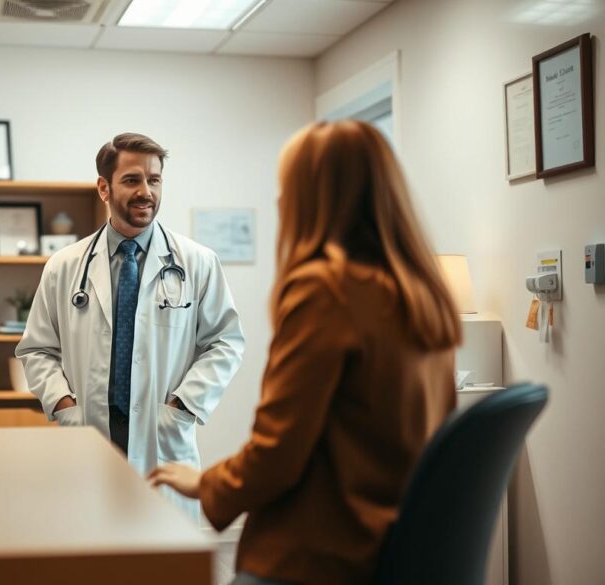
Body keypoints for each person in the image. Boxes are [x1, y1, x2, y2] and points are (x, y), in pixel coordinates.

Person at [149, 120, 461, 585]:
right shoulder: (419, 292)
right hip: (394, 542)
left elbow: (277, 453)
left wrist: (205, 483)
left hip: (323, 555)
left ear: (316, 198)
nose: (278, 200)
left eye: (286, 187)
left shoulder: (325, 291)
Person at [17, 132, 245, 516]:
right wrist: (64, 404)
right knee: (93, 555)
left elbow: (225, 342)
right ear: (104, 188)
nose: (146, 192)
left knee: (163, 561)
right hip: (89, 430)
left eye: (154, 180)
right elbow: (37, 348)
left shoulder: (198, 262)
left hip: (161, 432)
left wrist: (183, 404)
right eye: (132, 180)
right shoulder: (65, 265)